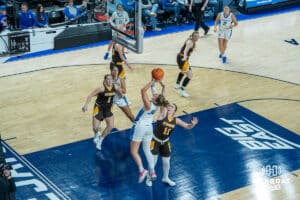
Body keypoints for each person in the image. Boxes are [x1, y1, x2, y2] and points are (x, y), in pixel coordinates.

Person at [146, 103, 198, 187]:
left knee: (166, 162)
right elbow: (162, 102)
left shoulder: (176, 120)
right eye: (169, 106)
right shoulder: (162, 114)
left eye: (172, 107)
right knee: (153, 162)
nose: (169, 107)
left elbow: (187, 126)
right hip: (155, 141)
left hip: (165, 142)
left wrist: (193, 124)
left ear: (174, 111)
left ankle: (165, 178)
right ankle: (149, 178)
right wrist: (163, 91)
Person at [130, 78, 168, 184]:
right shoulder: (158, 104)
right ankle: (153, 172)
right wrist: (161, 85)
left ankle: (142, 170)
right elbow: (161, 95)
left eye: (155, 95)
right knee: (147, 150)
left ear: (156, 100)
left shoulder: (148, 104)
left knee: (133, 151)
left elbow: (143, 90)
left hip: (140, 127)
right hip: (149, 128)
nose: (155, 94)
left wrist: (152, 81)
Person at [82, 74, 120, 150]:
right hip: (99, 108)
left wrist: (119, 98)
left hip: (108, 108)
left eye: (111, 79)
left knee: (110, 126)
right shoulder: (101, 88)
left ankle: (100, 140)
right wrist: (85, 105)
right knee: (95, 128)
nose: (110, 81)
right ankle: (96, 134)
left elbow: (121, 93)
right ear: (105, 81)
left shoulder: (115, 87)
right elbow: (90, 95)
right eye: (108, 79)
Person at [174, 31, 199, 97]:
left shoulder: (190, 41)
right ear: (192, 36)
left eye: (198, 36)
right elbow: (185, 50)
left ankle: (177, 84)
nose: (197, 38)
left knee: (183, 71)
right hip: (183, 59)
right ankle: (181, 90)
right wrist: (185, 57)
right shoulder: (190, 42)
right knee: (190, 75)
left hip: (180, 58)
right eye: (195, 36)